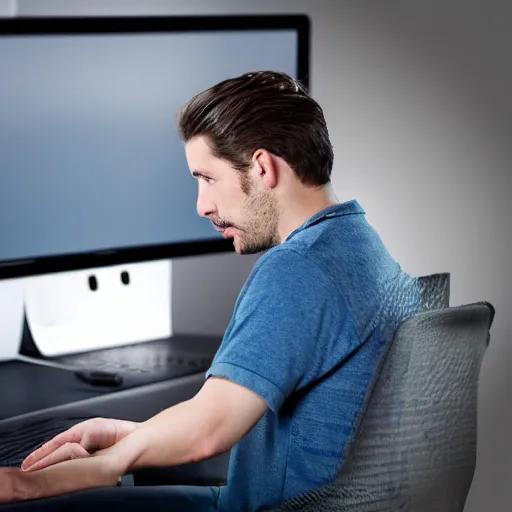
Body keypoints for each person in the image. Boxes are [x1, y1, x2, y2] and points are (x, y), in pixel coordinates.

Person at [0, 71, 423, 511]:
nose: (202, 205)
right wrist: (133, 436)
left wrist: (54, 480)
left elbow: (209, 430)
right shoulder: (359, 244)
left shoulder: (298, 268)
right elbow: (226, 414)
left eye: (207, 178)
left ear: (262, 167)